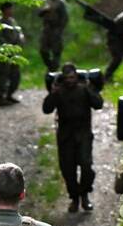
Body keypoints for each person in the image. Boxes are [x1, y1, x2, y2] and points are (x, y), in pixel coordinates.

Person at [41, 62, 104, 213]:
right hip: (65, 136)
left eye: (72, 77)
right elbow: (46, 109)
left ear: (76, 76)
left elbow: (98, 104)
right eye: (67, 77)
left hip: (83, 133)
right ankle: (74, 198)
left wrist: (90, 89)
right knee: (68, 170)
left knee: (86, 166)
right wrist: (53, 93)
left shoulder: (84, 89)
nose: (70, 80)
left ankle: (85, 195)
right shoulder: (59, 91)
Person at [0, 2, 25, 106]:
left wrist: (20, 41)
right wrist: (8, 47)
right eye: (9, 9)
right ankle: (1, 98)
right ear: (4, 10)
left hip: (14, 54)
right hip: (3, 54)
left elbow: (18, 32)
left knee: (16, 75)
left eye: (12, 9)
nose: (11, 11)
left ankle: (9, 95)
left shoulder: (12, 21)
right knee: (3, 75)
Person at [37, 0, 69, 71]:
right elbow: (39, 13)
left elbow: (65, 17)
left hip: (56, 28)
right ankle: (50, 66)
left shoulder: (61, 2)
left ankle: (54, 69)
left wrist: (60, 30)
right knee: (43, 50)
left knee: (56, 51)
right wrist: (44, 10)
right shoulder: (44, 1)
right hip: (46, 28)